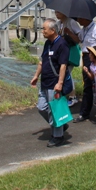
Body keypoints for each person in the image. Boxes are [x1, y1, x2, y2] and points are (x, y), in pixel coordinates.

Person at [30, 18, 71, 147]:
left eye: (44, 29)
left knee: (54, 110)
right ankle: (60, 123)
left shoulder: (62, 44)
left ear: (53, 30)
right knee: (42, 107)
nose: (42, 31)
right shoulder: (48, 43)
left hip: (54, 82)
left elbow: (63, 65)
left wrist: (60, 83)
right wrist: (36, 75)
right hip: (45, 82)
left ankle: (58, 136)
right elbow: (42, 61)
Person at [71, 16, 96, 123]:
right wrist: (68, 32)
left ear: (86, 18)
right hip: (86, 57)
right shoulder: (84, 29)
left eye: (79, 19)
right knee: (88, 85)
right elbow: (79, 39)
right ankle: (85, 112)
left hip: (94, 58)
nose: (78, 21)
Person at [54, 10, 82, 107]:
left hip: (71, 51)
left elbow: (79, 38)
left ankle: (72, 96)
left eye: (58, 12)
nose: (56, 14)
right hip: (62, 52)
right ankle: (66, 94)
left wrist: (69, 32)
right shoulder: (58, 24)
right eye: (55, 12)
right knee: (63, 73)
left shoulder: (71, 22)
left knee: (67, 73)